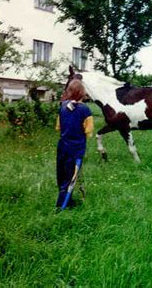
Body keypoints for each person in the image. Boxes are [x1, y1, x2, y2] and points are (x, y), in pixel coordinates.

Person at [55, 79, 93, 209]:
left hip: (62, 146)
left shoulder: (62, 106)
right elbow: (88, 131)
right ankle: (61, 207)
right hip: (76, 149)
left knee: (61, 175)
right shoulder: (85, 110)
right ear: (82, 93)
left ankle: (67, 199)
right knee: (71, 178)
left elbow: (58, 127)